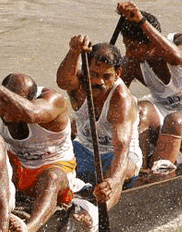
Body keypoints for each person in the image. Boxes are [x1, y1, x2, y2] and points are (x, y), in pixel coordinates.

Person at [0, 71, 79, 232]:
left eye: (15, 108)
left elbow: (32, 113)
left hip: (54, 169)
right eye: (4, 106)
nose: (9, 115)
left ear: (31, 99)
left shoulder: (54, 101)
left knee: (51, 177)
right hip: (17, 170)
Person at [113, 2, 182, 175]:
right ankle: (140, 169)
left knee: (174, 121)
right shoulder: (133, 63)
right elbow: (114, 97)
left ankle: (160, 175)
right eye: (126, 46)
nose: (128, 53)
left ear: (151, 44)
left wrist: (141, 20)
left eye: (133, 47)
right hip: (163, 115)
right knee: (140, 109)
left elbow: (177, 57)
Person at [56, 36, 142, 210]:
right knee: (53, 160)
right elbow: (63, 81)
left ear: (117, 74)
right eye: (93, 74)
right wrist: (73, 51)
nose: (98, 82)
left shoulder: (121, 98)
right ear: (85, 69)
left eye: (106, 76)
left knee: (117, 170)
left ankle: (97, 214)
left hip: (118, 157)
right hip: (84, 148)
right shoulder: (79, 84)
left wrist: (114, 180)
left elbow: (121, 146)